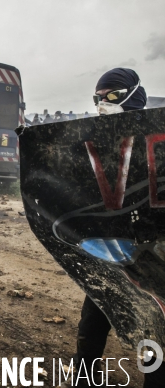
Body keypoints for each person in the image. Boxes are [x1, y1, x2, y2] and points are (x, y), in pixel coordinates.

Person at [74, 67, 164, 387]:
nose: (102, 103)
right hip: (108, 254)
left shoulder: (159, 139)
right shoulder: (96, 141)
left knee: (154, 340)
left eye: (110, 97)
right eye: (97, 98)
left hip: (153, 261)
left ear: (132, 96)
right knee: (91, 331)